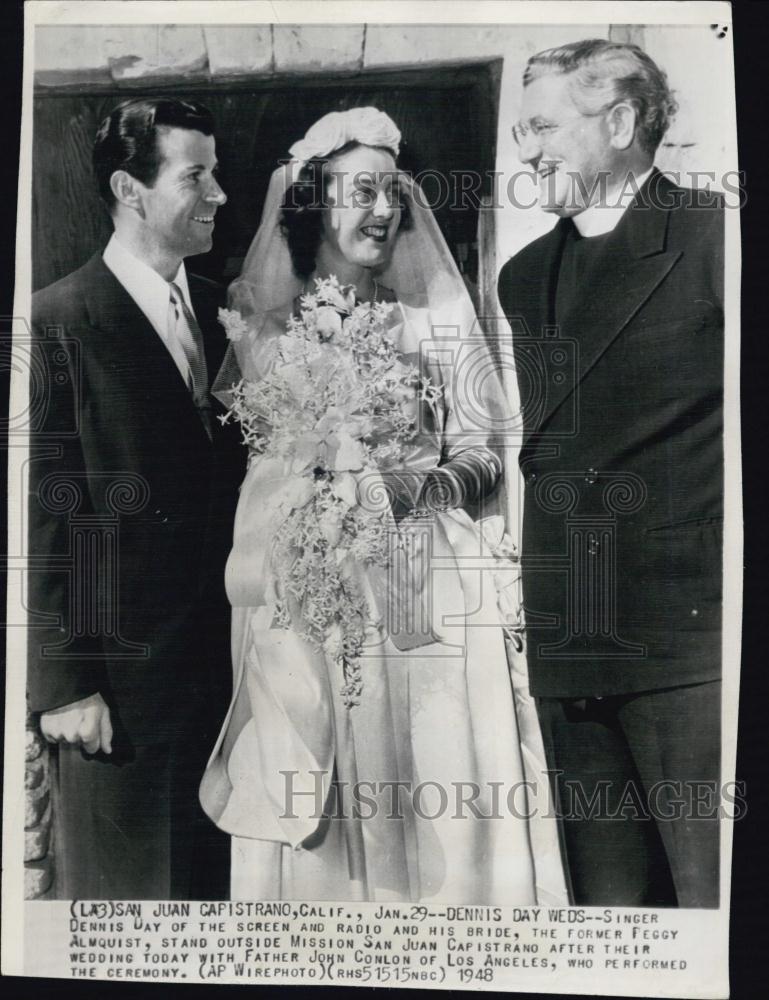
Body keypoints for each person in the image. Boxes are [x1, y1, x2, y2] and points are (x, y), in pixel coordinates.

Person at [200, 107, 567, 904]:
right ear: (312, 204)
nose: (383, 210)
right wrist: (311, 500)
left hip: (423, 584)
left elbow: (483, 454)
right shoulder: (263, 330)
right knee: (318, 780)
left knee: (434, 773)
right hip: (312, 589)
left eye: (392, 193)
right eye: (361, 192)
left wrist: (408, 488)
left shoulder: (434, 317)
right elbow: (260, 464)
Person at [497, 40, 724, 907]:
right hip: (570, 644)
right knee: (611, 922)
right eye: (522, 131)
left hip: (686, 643)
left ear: (622, 121)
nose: (527, 151)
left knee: (713, 906)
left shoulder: (713, 236)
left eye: (544, 127)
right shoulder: (523, 278)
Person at [27, 98, 242, 899]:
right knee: (133, 908)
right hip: (120, 695)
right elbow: (43, 516)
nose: (219, 193)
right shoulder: (53, 323)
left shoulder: (227, 315)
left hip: (229, 682)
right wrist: (65, 685)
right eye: (196, 176)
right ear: (129, 189)